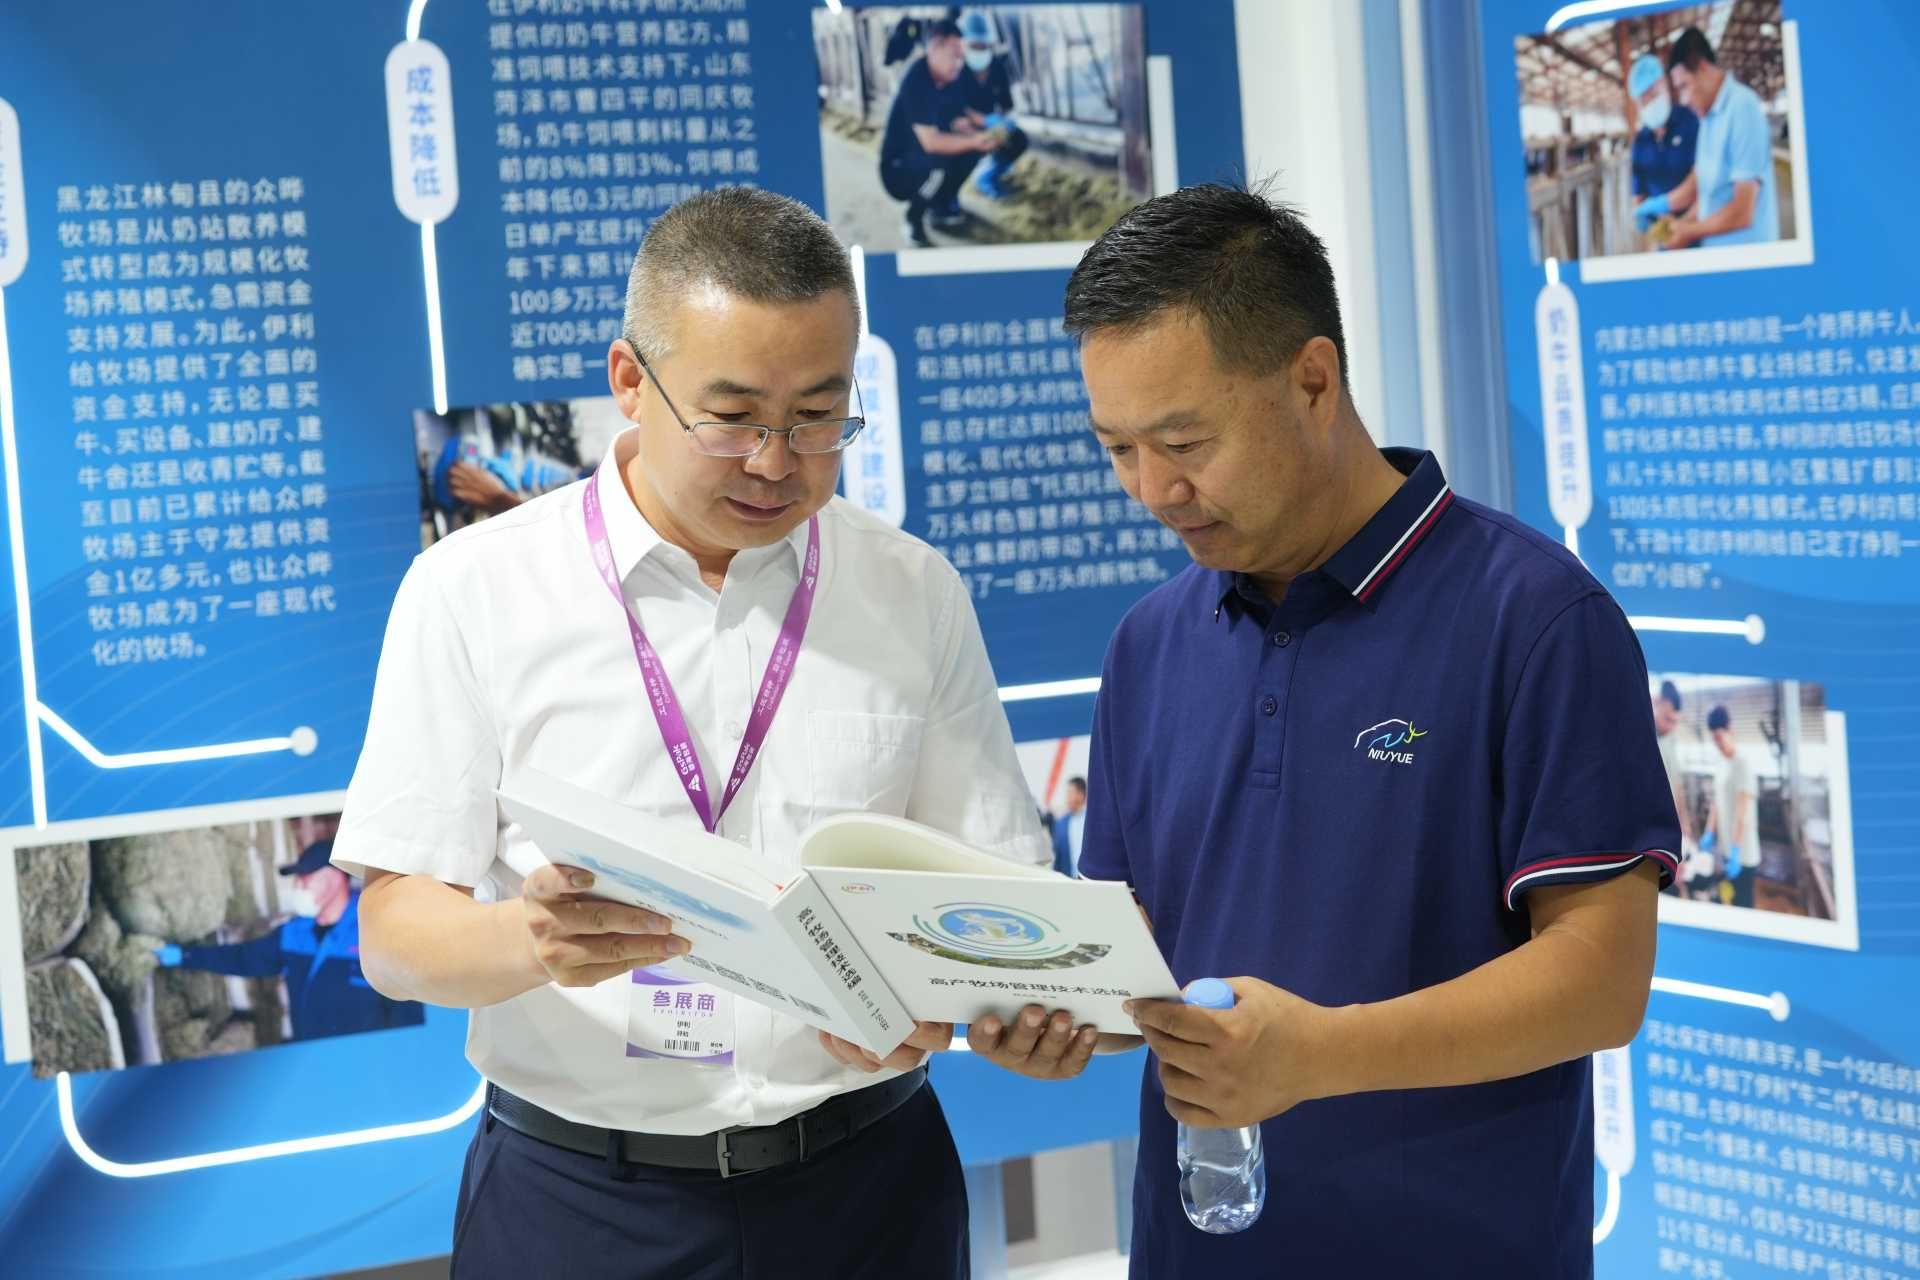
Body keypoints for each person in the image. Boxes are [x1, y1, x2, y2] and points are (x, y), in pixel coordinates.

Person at [333, 187, 1050, 1279]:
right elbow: (392, 934)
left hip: (869, 1191)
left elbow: (991, 890)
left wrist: (943, 1002)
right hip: (582, 1204)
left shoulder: (911, 590)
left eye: (818, 417)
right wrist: (533, 939)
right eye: (734, 418)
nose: (775, 461)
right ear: (631, 381)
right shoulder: (472, 589)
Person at [968, 182, 1679, 1276]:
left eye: (1184, 439)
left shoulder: (1535, 619)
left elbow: (1601, 979)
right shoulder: (1149, 643)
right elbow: (1139, 954)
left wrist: (1318, 1054)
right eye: (1118, 448)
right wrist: (1063, 1018)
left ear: (1312, 379)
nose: (1154, 489)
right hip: (1195, 1245)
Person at [153, 836, 425, 1042]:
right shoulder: (294, 933)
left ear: (332, 878)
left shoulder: (379, 932)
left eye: (304, 880)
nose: (298, 887)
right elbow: (243, 959)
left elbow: (410, 1013)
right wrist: (185, 956)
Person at [1634, 27, 1780, 250]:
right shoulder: (1707, 117)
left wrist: (1687, 231)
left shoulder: (1742, 108)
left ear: (1703, 68)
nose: (1683, 99)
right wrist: (1677, 223)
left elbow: (1743, 212)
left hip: (1746, 254)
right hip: (1716, 249)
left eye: (1684, 86)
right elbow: (1704, 187)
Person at [877, 19, 998, 247]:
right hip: (897, 168)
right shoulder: (916, 80)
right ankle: (913, 218)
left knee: (971, 151)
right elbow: (932, 142)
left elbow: (959, 118)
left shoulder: (950, 78)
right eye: (955, 55)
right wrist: (974, 140)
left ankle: (941, 204)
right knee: (939, 161)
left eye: (961, 56)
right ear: (934, 48)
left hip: (923, 152)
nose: (959, 63)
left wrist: (979, 134)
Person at [954, 10, 1028, 201]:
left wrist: (1003, 123)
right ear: (963, 45)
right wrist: (985, 121)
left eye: (983, 45)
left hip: (990, 124)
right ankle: (958, 186)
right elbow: (957, 107)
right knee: (963, 146)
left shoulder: (997, 67)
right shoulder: (956, 70)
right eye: (974, 45)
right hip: (964, 125)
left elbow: (1006, 104)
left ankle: (991, 173)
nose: (979, 50)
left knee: (1018, 139)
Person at [1624, 53, 1698, 211]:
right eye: (1643, 99)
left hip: (1696, 218)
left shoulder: (1691, 121)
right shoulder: (1640, 142)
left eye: (1653, 93)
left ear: (1664, 83)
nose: (1650, 101)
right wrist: (1645, 214)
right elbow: (1638, 193)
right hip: (1658, 222)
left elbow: (1701, 179)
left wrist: (1676, 215)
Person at [1707, 704, 1759, 909]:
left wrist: (1736, 851)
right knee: (1728, 897)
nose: (1717, 744)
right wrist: (1709, 832)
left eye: (1720, 737)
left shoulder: (1742, 763)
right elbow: (1716, 801)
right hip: (1727, 847)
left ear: (1730, 729)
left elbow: (1743, 812)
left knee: (1743, 904)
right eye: (1714, 739)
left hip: (1743, 853)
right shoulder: (1719, 761)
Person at [1051, 776, 1087, 877]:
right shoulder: (1060, 824)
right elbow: (1057, 859)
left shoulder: (1092, 821)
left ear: (1081, 794)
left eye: (1070, 793)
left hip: (1089, 881)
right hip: (1069, 880)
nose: (1067, 798)